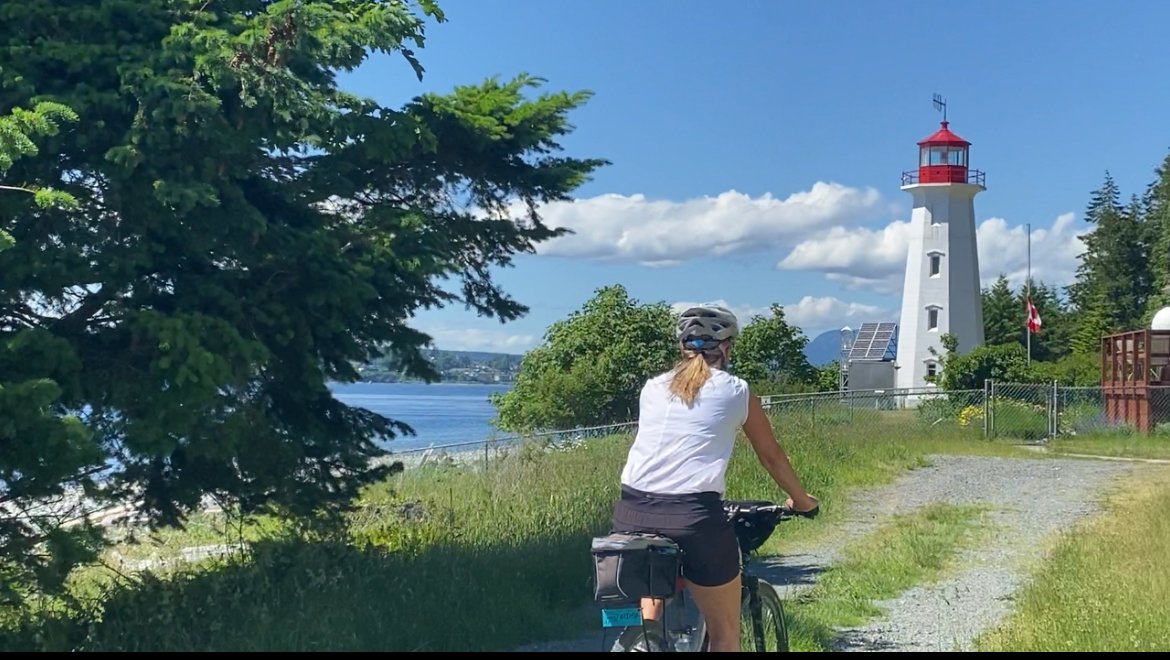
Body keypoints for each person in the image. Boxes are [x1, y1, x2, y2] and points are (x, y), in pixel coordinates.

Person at [611, 304, 819, 652]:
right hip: (692, 517)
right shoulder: (737, 391)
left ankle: (644, 640)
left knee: (651, 592)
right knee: (725, 635)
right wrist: (802, 501)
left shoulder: (652, 388)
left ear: (682, 348)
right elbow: (772, 457)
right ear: (726, 347)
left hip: (631, 511)